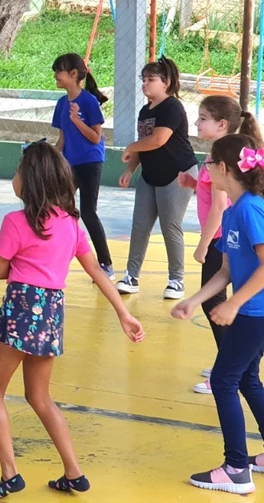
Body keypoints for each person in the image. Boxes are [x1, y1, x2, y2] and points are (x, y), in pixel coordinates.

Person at [0, 141, 143, 499]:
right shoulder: (71, 223)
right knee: (40, 396)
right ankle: (74, 471)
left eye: (17, 172)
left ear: (29, 181)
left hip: (22, 308)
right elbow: (98, 272)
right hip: (52, 312)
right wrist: (124, 312)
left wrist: (14, 258)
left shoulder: (16, 221)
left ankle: (10, 473)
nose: (14, 178)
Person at [173, 134, 264, 495]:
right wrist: (196, 300)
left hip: (256, 312)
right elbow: (226, 271)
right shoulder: (232, 212)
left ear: (224, 169)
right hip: (250, 310)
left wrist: (234, 304)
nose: (206, 169)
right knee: (246, 380)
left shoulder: (250, 209)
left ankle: (236, 469)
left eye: (210, 163)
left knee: (225, 381)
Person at [180, 95, 261, 395]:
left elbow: (218, 205)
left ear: (222, 124)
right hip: (221, 240)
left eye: (203, 118)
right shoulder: (222, 159)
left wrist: (203, 245)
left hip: (221, 244)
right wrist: (193, 185)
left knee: (216, 305)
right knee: (216, 303)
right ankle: (228, 362)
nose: (197, 123)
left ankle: (227, 365)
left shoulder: (225, 163)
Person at [117, 57, 199, 299]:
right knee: (140, 225)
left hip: (177, 174)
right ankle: (131, 276)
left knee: (170, 225)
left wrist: (130, 146)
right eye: (143, 79)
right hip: (150, 175)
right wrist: (130, 169)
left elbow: (158, 139)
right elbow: (144, 146)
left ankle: (176, 280)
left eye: (151, 79)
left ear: (166, 83)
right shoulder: (145, 111)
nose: (145, 84)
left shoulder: (172, 107)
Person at [49, 53, 112, 279]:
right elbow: (62, 139)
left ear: (74, 75)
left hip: (89, 162)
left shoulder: (88, 102)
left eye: (59, 71)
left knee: (88, 211)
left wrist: (77, 120)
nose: (55, 75)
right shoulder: (61, 103)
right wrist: (49, 158)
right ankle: (54, 255)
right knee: (58, 206)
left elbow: (96, 138)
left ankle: (105, 263)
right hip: (69, 162)